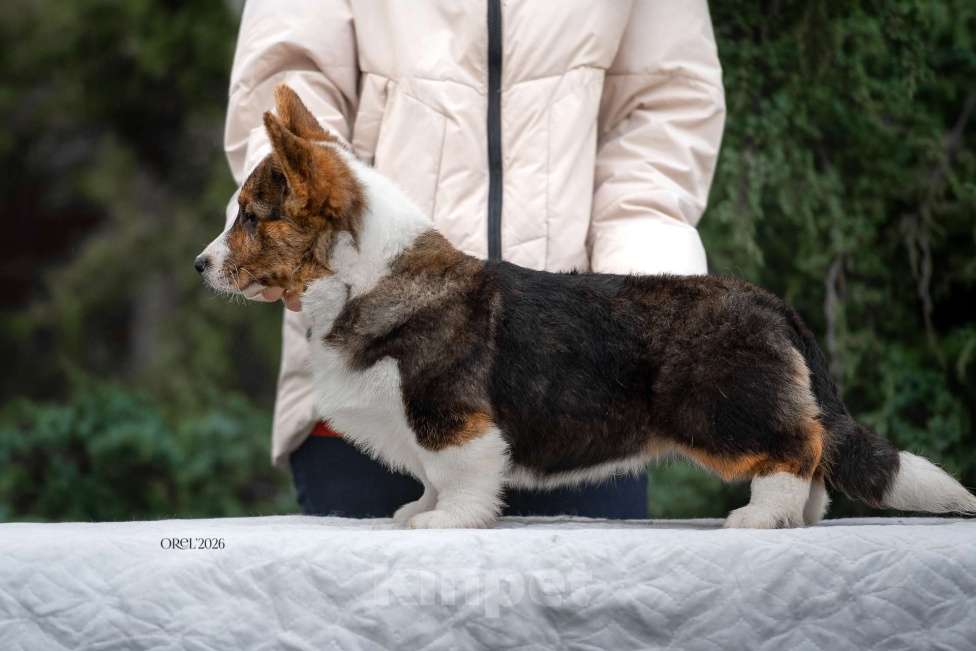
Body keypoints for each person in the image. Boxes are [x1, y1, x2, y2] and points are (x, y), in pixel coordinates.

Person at [223, 0, 726, 519]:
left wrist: (639, 306)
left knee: (584, 599)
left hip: (582, 384)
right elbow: (287, 77)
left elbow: (664, 107)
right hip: (370, 382)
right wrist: (301, 238)